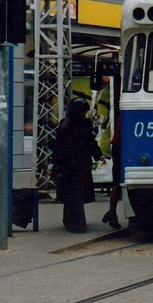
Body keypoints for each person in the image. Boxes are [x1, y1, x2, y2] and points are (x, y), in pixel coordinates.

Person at [52, 98, 103, 233]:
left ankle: (69, 220)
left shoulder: (65, 125)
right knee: (76, 194)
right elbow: (90, 142)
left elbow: (57, 147)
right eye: (82, 111)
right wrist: (98, 154)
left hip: (68, 165)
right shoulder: (82, 125)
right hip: (78, 165)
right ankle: (77, 224)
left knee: (71, 194)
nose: (83, 114)